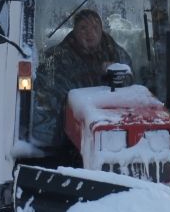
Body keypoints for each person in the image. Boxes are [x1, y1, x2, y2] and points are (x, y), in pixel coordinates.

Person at [31, 9, 131, 147]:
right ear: (74, 31)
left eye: (95, 27)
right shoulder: (55, 59)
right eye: (83, 28)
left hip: (116, 131)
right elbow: (45, 100)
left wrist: (114, 75)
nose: (90, 32)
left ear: (102, 30)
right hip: (68, 137)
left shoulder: (117, 55)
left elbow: (132, 89)